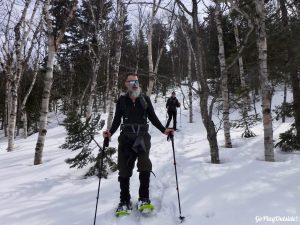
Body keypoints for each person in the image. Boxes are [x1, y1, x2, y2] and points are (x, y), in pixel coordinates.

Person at [103, 73, 174, 215]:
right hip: (126, 138)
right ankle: (124, 201)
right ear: (126, 84)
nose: (134, 83)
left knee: (144, 165)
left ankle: (144, 199)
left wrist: (164, 130)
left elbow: (153, 118)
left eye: (136, 81)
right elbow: (117, 120)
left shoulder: (145, 99)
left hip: (142, 138)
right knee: (124, 168)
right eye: (131, 81)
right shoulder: (122, 101)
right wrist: (110, 132)